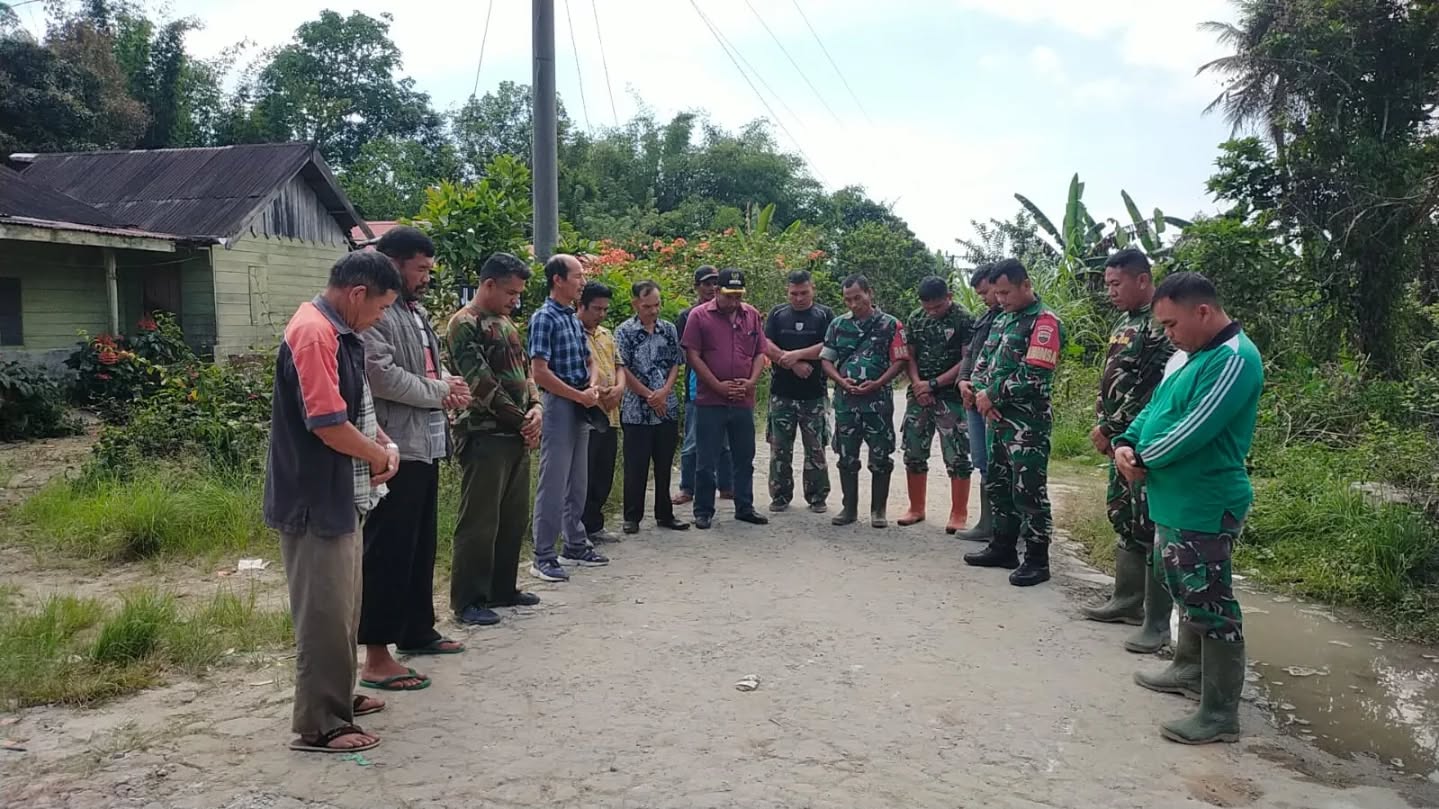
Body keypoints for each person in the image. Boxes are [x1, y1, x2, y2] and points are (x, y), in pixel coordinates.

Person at [263, 250, 402, 754]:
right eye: (381, 307)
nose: (380, 317)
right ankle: (321, 724)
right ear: (357, 294)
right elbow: (327, 424)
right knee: (323, 613)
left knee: (344, 606)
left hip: (341, 493)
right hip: (314, 498)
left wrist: (383, 444)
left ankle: (338, 695)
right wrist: (378, 455)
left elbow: (355, 409)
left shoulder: (341, 333)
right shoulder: (314, 333)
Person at [1116, 272, 1263, 745]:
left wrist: (1141, 458)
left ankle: (1220, 715)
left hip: (1205, 501)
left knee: (1210, 601)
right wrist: (1125, 442)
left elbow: (1193, 429)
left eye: (1172, 324)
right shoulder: (1191, 355)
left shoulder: (1233, 359)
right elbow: (1155, 408)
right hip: (1174, 498)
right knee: (1183, 587)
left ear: (1203, 311)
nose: (1168, 334)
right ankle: (1188, 670)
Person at [356, 228, 469, 691]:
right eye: (420, 269)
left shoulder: (413, 312)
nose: (426, 278)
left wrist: (449, 383)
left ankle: (417, 630)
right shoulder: (377, 313)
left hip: (426, 443)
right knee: (388, 550)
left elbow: (424, 367)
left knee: (420, 546)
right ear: (392, 263)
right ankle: (376, 655)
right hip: (392, 449)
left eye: (428, 269)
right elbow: (380, 375)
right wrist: (440, 390)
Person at [1080, 249, 1176, 655]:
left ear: (1142, 279)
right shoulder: (1125, 322)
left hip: (1142, 439)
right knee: (1123, 514)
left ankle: (1156, 623)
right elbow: (1113, 378)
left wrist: (1113, 427)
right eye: (1108, 285)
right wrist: (1103, 422)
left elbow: (1152, 389)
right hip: (1118, 439)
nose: (1111, 292)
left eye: (1116, 284)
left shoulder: (1162, 325)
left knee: (1148, 524)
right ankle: (1126, 600)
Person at [444, 252, 544, 626]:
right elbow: (481, 384)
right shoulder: (464, 324)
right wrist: (523, 422)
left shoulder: (505, 323)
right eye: (510, 292)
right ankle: (468, 599)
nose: (515, 300)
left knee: (512, 518)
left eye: (518, 294)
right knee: (480, 521)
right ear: (489, 284)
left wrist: (537, 408)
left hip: (516, 434)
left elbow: (525, 372)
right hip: (484, 434)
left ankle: (503, 587)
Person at [962, 258, 1063, 587]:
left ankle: (1036, 559)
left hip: (1027, 424)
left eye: (1006, 292)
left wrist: (991, 395)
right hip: (996, 420)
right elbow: (983, 362)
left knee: (1029, 491)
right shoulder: (1003, 320)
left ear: (1026, 285)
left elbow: (1035, 373)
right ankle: (1003, 547)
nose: (1000, 299)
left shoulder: (1044, 322)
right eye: (997, 293)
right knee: (999, 484)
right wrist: (980, 393)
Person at [528, 254, 609, 582]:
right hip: (560, 404)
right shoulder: (544, 318)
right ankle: (543, 555)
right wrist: (578, 395)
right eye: (577, 276)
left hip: (581, 402)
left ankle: (575, 543)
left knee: (578, 479)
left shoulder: (572, 319)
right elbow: (539, 372)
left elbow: (590, 360)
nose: (582, 282)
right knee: (553, 480)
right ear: (557, 279)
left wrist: (591, 386)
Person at [681, 268, 770, 530]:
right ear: (717, 291)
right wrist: (717, 385)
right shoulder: (699, 316)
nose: (734, 301)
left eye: (738, 296)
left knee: (743, 456)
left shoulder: (751, 315)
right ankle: (703, 510)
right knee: (706, 458)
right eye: (729, 296)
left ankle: (744, 506)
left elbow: (759, 352)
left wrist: (751, 382)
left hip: (743, 398)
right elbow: (693, 355)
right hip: (710, 400)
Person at [821, 275, 907, 529]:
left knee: (880, 457)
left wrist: (878, 383)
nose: (853, 304)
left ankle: (878, 510)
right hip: (846, 402)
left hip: (877, 403)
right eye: (848, 300)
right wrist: (841, 381)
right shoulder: (838, 325)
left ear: (870, 293)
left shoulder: (891, 324)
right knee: (846, 456)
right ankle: (849, 508)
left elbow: (900, 360)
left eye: (858, 298)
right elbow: (826, 359)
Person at [898, 275, 974, 532]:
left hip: (951, 396)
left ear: (949, 297)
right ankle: (916, 508)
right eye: (927, 307)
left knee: (957, 455)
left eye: (937, 307)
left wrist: (934, 384)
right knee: (913, 451)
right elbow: (909, 356)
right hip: (919, 395)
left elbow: (967, 360)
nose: (932, 312)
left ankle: (959, 513)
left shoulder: (964, 319)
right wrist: (919, 385)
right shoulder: (916, 318)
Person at [615, 280, 690, 534]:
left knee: (664, 464)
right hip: (636, 409)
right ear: (635, 304)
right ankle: (632, 516)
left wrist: (665, 392)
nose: (654, 311)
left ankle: (665, 513)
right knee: (636, 465)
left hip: (666, 406)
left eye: (657, 305)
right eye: (648, 306)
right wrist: (649, 395)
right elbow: (622, 368)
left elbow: (675, 363)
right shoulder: (624, 331)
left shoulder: (668, 329)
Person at [763, 270, 835, 514]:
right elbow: (766, 344)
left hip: (814, 394)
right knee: (779, 449)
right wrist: (791, 363)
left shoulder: (824, 314)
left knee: (815, 449)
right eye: (794, 293)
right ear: (788, 291)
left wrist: (798, 354)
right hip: (782, 393)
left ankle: (817, 496)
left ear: (812, 289)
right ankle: (780, 495)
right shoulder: (778, 314)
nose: (799, 298)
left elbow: (830, 345)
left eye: (804, 293)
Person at [674, 265, 733, 504]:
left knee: (725, 439)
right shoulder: (687, 316)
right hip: (697, 386)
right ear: (696, 287)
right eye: (706, 284)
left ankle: (727, 485)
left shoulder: (728, 312)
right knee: (692, 440)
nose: (711, 288)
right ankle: (687, 487)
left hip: (727, 385)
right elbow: (684, 353)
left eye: (715, 283)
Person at [955, 264, 1000, 540]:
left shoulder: (1014, 319)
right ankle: (987, 523)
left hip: (994, 401)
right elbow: (970, 354)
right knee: (982, 461)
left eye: (986, 292)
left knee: (1000, 464)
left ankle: (1005, 526)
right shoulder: (985, 318)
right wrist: (962, 381)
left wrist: (988, 392)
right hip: (973, 399)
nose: (984, 298)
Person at [578, 282, 625, 545]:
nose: (601, 314)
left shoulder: (606, 334)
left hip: (611, 413)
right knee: (583, 473)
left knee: (603, 472)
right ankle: (577, 529)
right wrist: (596, 392)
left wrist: (619, 389)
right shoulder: (573, 332)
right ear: (581, 306)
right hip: (587, 415)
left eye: (605, 309)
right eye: (597, 309)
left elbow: (619, 366)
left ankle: (595, 525)